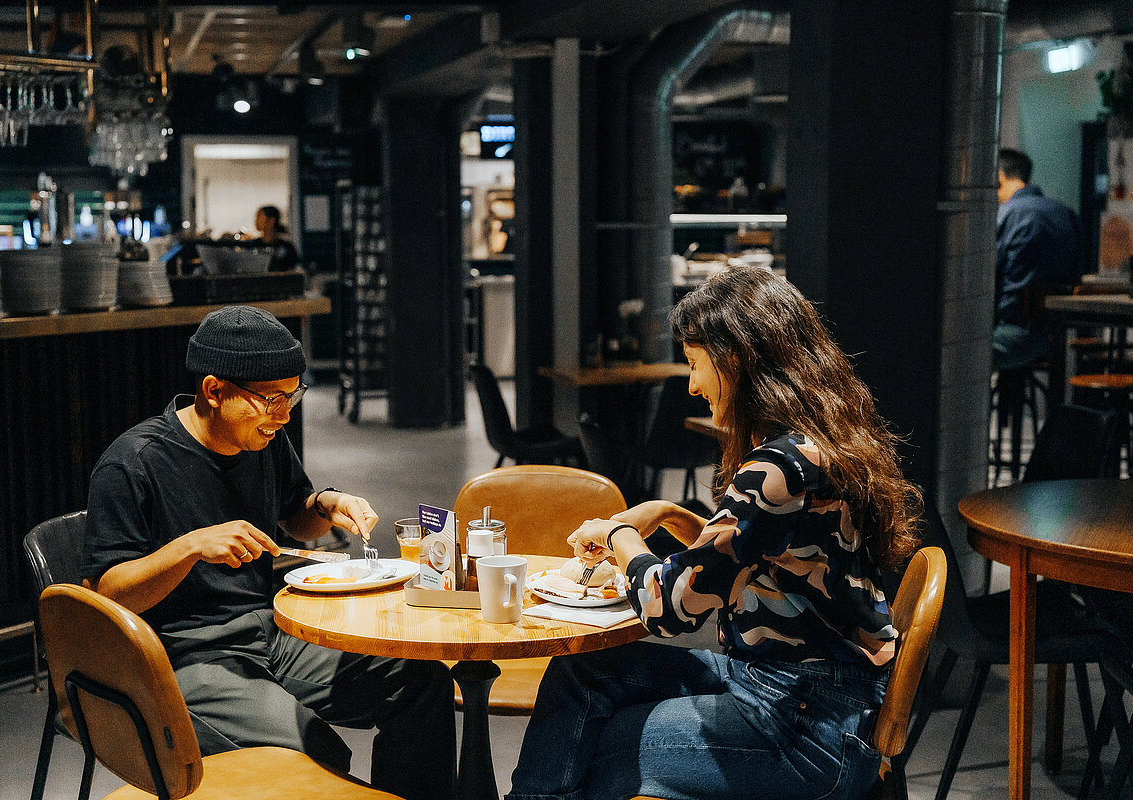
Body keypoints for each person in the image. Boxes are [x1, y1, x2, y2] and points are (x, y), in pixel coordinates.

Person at [505, 266, 923, 800]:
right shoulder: (817, 443)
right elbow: (764, 557)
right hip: (813, 695)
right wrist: (670, 517)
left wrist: (619, 538)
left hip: (805, 726)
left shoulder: (777, 469)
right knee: (581, 676)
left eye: (696, 364)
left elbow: (671, 609)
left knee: (594, 743)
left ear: (736, 361)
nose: (693, 385)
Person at [82, 305, 454, 800]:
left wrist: (326, 504)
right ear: (214, 391)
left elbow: (294, 514)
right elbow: (107, 593)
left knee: (419, 681)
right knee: (312, 750)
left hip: (270, 633)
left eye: (293, 396)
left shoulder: (263, 439)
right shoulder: (135, 463)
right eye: (271, 399)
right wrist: (190, 547)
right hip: (183, 659)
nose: (283, 415)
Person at [994, 148, 1083, 370]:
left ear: (999, 177)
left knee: (953, 355)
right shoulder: (1067, 214)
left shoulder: (1004, 215)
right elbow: (1078, 274)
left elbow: (987, 275)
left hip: (1010, 332)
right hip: (1055, 334)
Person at [252, 205, 301, 272]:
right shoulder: (254, 244)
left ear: (272, 220)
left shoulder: (286, 247)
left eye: (259, 217)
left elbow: (294, 269)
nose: (256, 220)